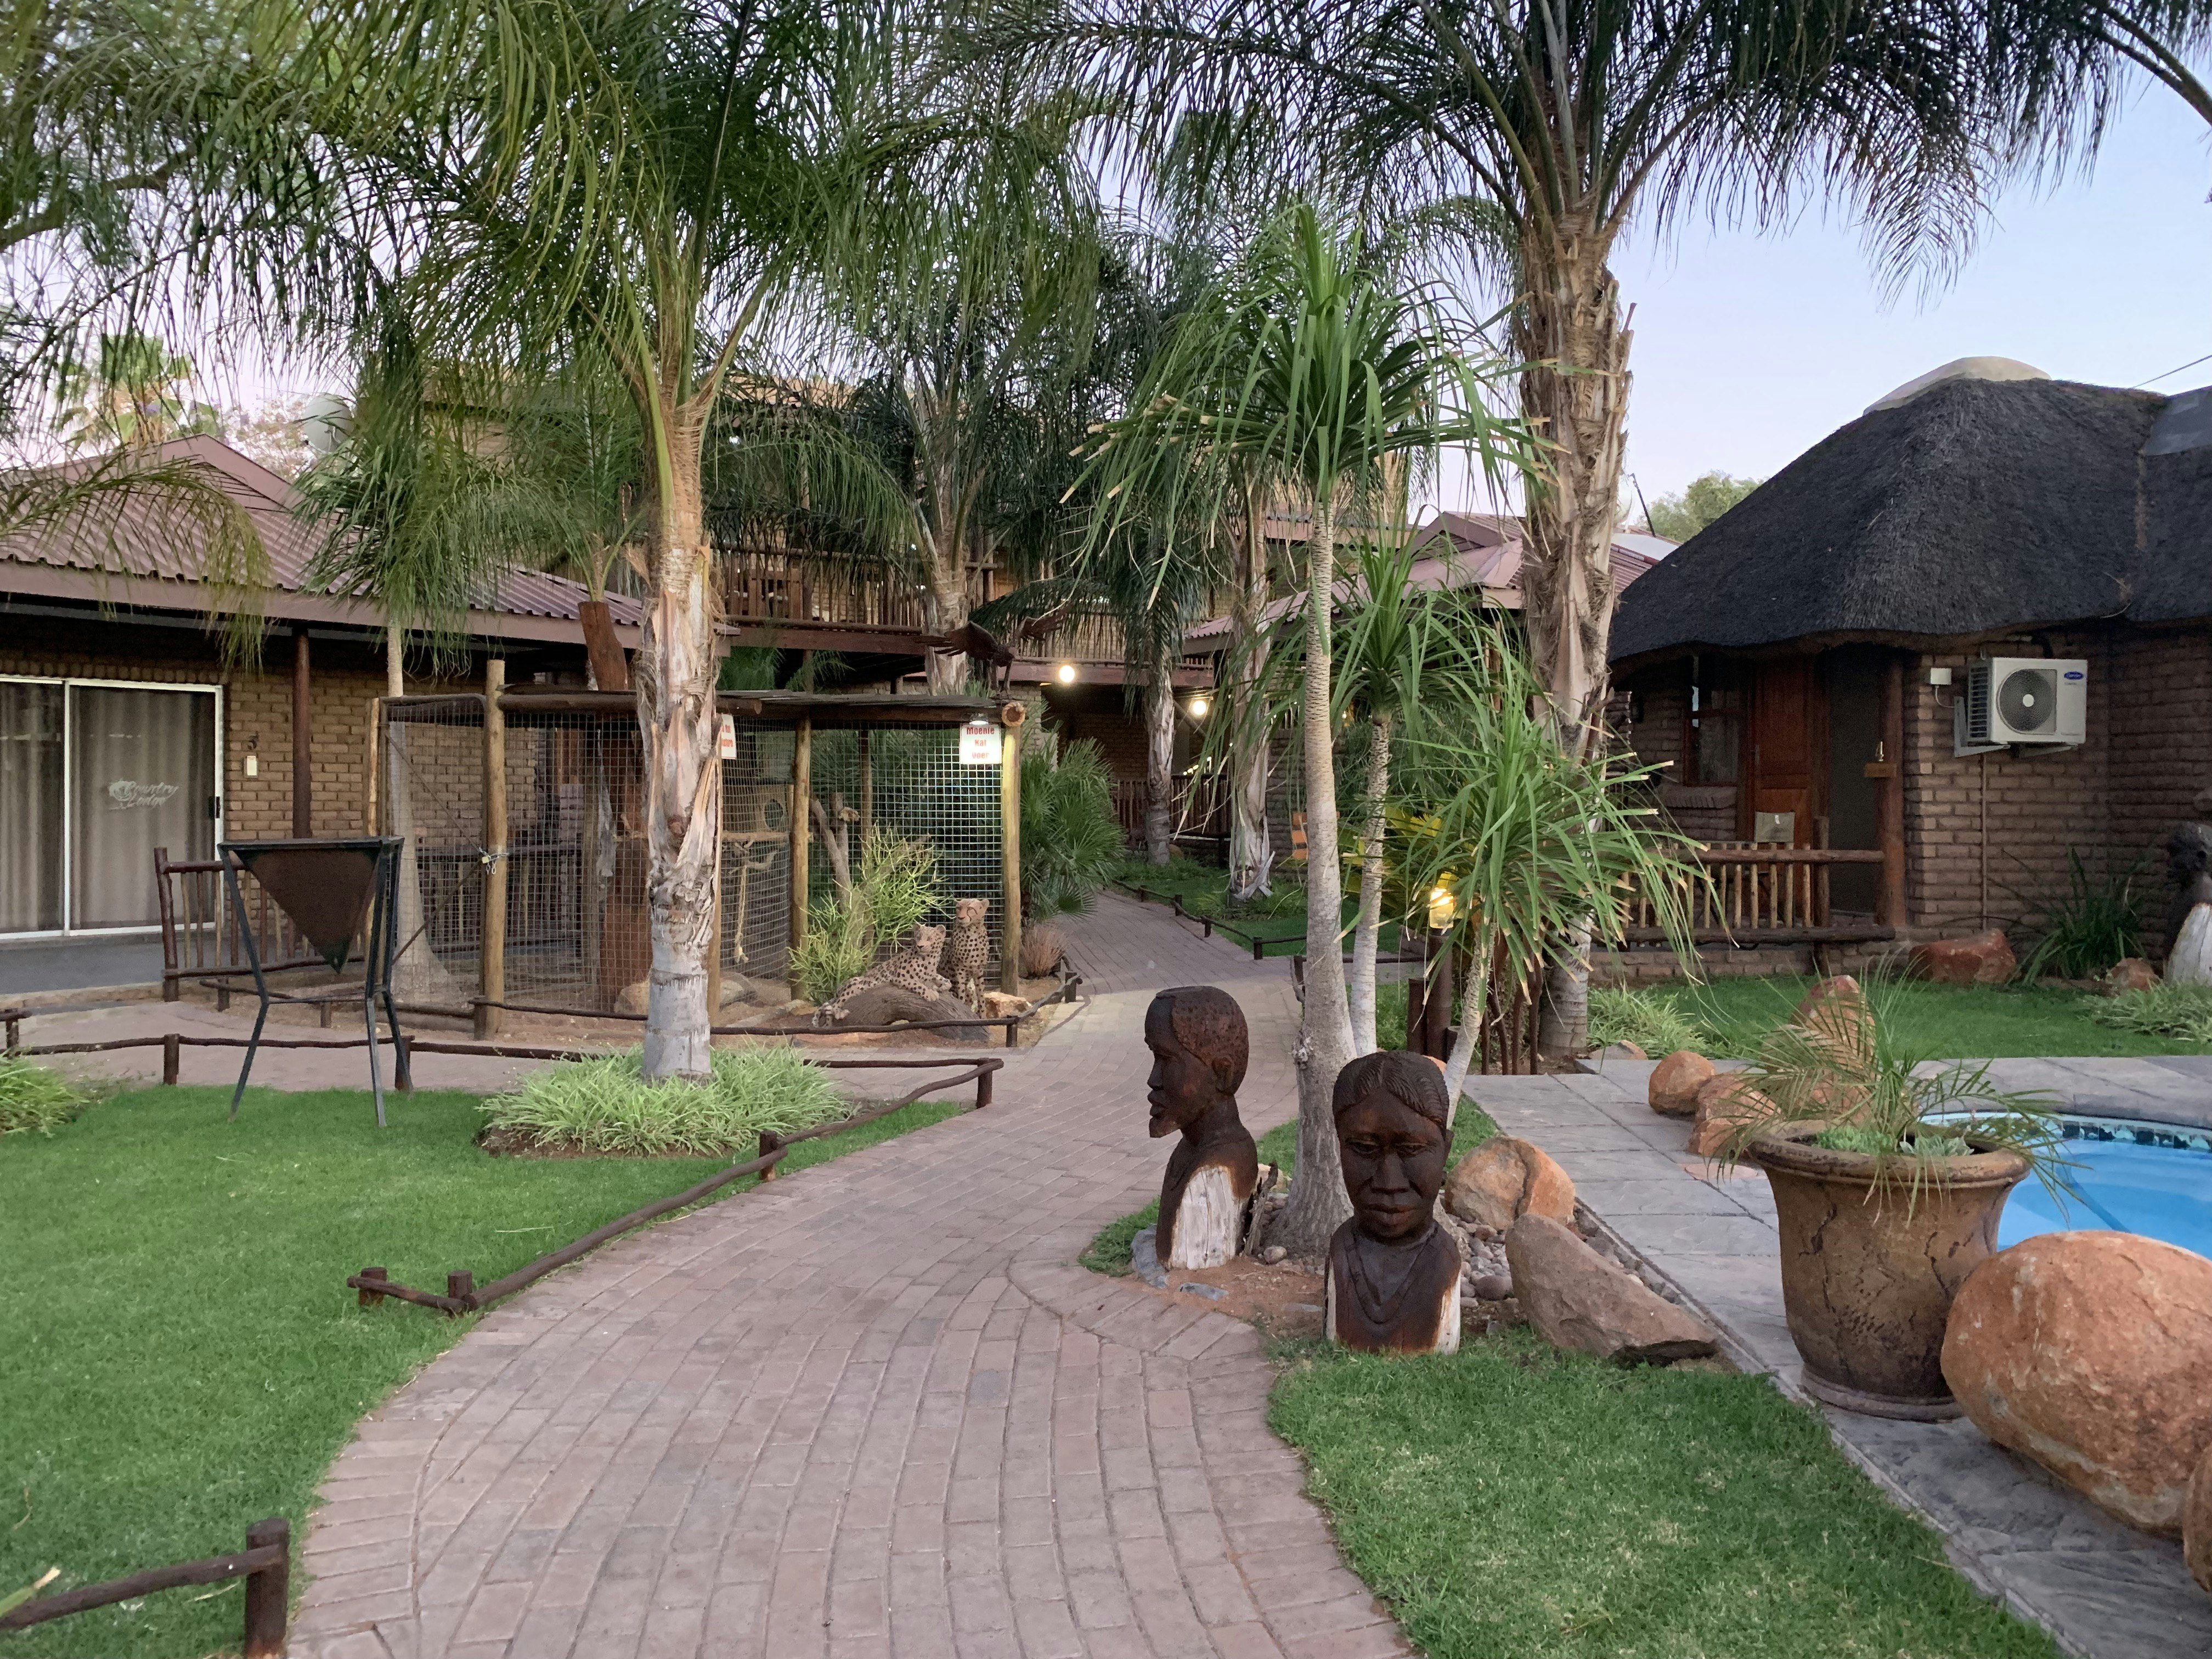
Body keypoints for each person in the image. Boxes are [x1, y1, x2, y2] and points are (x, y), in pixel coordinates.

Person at [1325, 1051, 1462, 1355]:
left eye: (1412, 1150)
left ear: (1446, 1150)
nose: (1389, 1182)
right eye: (1364, 1148)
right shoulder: (1342, 1251)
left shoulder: (1442, 1261)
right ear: (1340, 1148)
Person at [1144, 986, 1260, 1269]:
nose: (1153, 1079)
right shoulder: (1190, 1150)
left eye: (1167, 1060)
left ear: (1222, 1073)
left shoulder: (1216, 1171)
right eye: (1154, 1056)